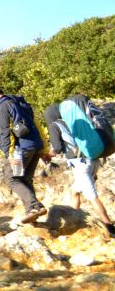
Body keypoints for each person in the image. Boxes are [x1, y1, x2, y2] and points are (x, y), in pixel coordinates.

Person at [43, 101, 115, 237]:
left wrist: (47, 156)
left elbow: (57, 148)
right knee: (75, 191)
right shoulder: (72, 122)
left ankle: (109, 226)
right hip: (93, 160)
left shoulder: (55, 125)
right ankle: (75, 216)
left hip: (80, 164)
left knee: (92, 196)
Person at [0, 87, 48, 224]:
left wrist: (9, 153)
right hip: (36, 146)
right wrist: (44, 147)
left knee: (12, 179)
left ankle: (34, 206)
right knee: (24, 179)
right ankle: (32, 215)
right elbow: (36, 124)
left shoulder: (2, 107)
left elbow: (6, 133)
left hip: (20, 150)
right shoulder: (20, 103)